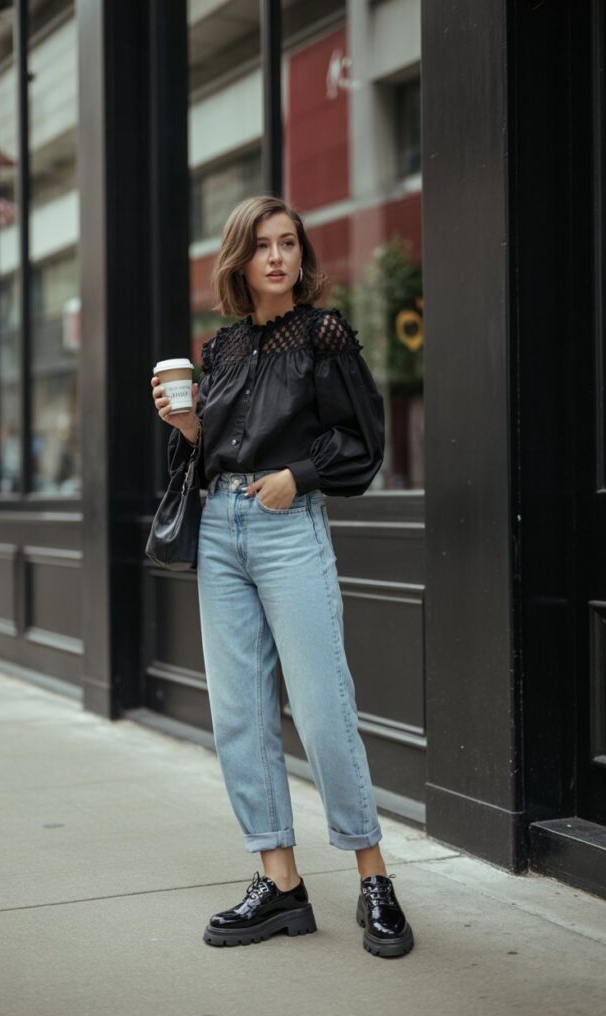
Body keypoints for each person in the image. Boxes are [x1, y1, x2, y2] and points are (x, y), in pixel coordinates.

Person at [150, 194, 414, 958]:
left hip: (285, 527)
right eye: (262, 245)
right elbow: (214, 452)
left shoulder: (322, 334)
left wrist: (296, 476)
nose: (276, 257)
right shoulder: (221, 350)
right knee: (238, 715)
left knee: (323, 705)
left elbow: (362, 440)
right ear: (239, 258)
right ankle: (280, 884)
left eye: (288, 244)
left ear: (301, 257)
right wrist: (186, 429)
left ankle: (373, 878)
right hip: (224, 531)